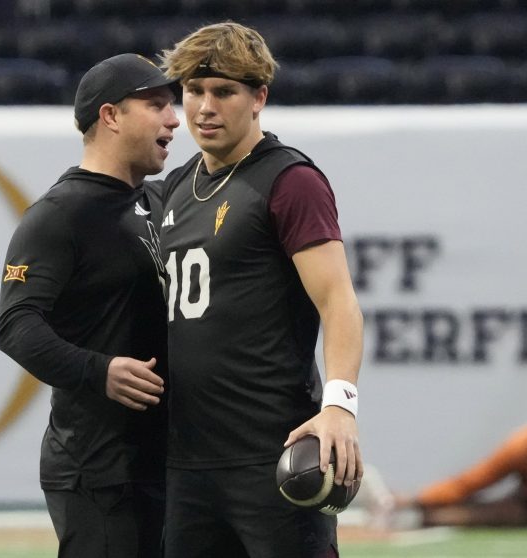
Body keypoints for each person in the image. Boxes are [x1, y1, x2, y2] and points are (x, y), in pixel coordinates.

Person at [156, 22, 364, 558]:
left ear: (258, 98)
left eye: (223, 92)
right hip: (187, 459)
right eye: (194, 91)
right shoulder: (178, 186)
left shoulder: (289, 180)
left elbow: (338, 300)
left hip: (272, 453)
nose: (205, 106)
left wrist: (341, 406)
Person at [0, 53, 180, 558]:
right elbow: (15, 325)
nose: (174, 118)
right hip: (98, 470)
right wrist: (101, 371)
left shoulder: (159, 202)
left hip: (161, 462)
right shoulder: (60, 215)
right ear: (111, 115)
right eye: (157, 104)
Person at [394, 425, 527, 527]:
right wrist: (416, 499)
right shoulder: (520, 445)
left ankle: (431, 518)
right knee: (460, 510)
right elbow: (468, 483)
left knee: (502, 514)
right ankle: (418, 516)